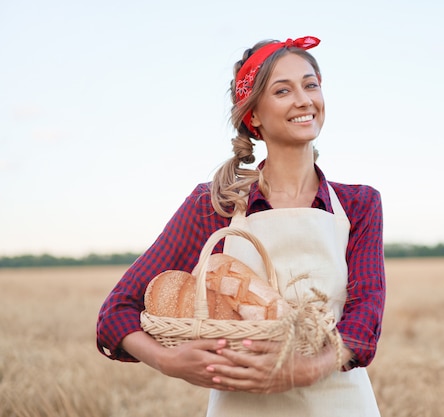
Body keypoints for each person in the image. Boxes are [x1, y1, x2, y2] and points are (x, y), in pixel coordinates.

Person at [96, 35, 386, 416]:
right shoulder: (214, 203)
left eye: (311, 84)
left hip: (340, 404)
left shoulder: (359, 204)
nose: (304, 100)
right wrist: (170, 361)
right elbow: (116, 311)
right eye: (283, 90)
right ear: (254, 116)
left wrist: (303, 370)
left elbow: (365, 318)